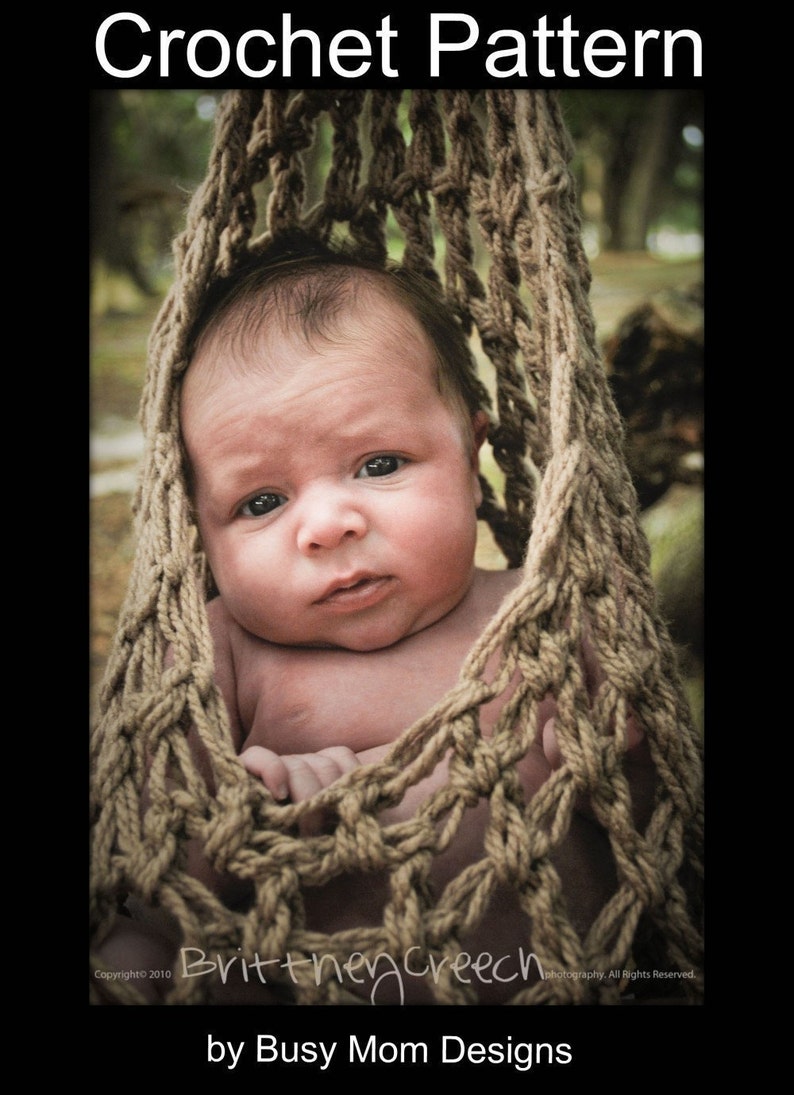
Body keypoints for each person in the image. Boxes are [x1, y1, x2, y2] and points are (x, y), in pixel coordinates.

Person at [94, 234, 653, 1005]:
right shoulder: (215, 653)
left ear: (471, 453)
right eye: (260, 502)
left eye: (379, 464)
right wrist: (247, 820)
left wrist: (622, 755)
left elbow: (657, 838)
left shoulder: (549, 611)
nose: (327, 524)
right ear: (195, 529)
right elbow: (148, 881)